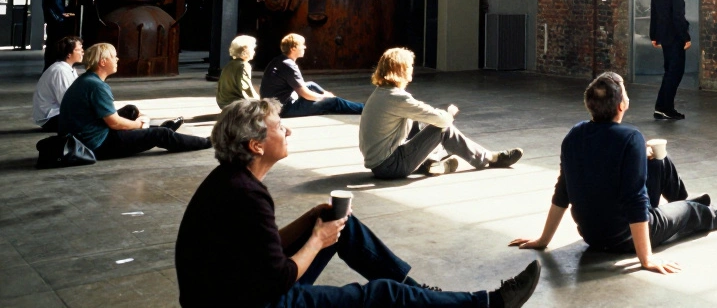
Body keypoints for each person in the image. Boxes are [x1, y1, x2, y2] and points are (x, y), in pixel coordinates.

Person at [175, 98, 541, 308]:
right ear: (256, 145)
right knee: (382, 296)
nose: (289, 130)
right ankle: (487, 304)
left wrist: (312, 221)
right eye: (279, 127)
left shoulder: (231, 180)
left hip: (237, 289)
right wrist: (316, 240)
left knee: (341, 223)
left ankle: (418, 293)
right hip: (251, 303)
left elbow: (260, 250)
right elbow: (279, 277)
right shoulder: (246, 195)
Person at [510, 72, 717, 273]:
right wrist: (646, 259)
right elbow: (635, 199)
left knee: (659, 161)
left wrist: (544, 240)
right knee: (689, 212)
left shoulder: (574, 134)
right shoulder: (630, 137)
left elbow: (563, 190)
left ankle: (686, 205)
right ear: (621, 105)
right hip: (623, 237)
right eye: (625, 92)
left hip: (593, 235)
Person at [360, 47, 524, 180]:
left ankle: (432, 163)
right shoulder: (396, 97)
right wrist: (449, 114)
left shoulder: (381, 93)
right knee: (443, 128)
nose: (412, 69)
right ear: (400, 70)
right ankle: (489, 158)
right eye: (409, 66)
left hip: (380, 164)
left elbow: (422, 113)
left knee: (419, 124)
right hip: (390, 166)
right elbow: (440, 120)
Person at [57, 42, 211, 159]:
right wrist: (139, 124)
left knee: (130, 110)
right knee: (160, 135)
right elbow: (114, 123)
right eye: (113, 56)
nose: (117, 59)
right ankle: (206, 142)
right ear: (103, 62)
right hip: (96, 144)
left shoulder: (86, 80)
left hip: (84, 136)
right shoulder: (97, 86)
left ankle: (156, 130)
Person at [260, 34, 363, 117]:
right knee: (334, 101)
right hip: (283, 109)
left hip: (273, 105)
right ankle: (363, 108)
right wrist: (324, 97)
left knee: (311, 84)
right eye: (302, 45)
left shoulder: (279, 60)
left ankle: (328, 100)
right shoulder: (289, 66)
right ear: (293, 48)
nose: (305, 47)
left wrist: (324, 94)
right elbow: (306, 94)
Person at [649, 0, 691, 119]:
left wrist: (654, 36)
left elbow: (654, 15)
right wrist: (686, 37)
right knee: (675, 73)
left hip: (664, 38)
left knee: (669, 73)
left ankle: (661, 108)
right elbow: (678, 17)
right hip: (675, 38)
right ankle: (666, 108)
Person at [31, 35, 84, 132]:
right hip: (51, 118)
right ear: (69, 54)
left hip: (59, 113)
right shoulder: (60, 71)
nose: (82, 52)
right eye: (79, 50)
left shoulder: (68, 69)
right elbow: (66, 101)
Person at [217, 35, 261, 109]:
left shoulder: (229, 65)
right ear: (245, 50)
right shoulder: (244, 65)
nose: (254, 51)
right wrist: (259, 99)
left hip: (223, 103)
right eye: (252, 49)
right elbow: (246, 88)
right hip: (236, 105)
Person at [41, 0, 75, 66]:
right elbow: (58, 6)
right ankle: (52, 63)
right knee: (54, 44)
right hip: (56, 23)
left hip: (52, 22)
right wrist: (64, 15)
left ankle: (49, 64)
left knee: (52, 44)